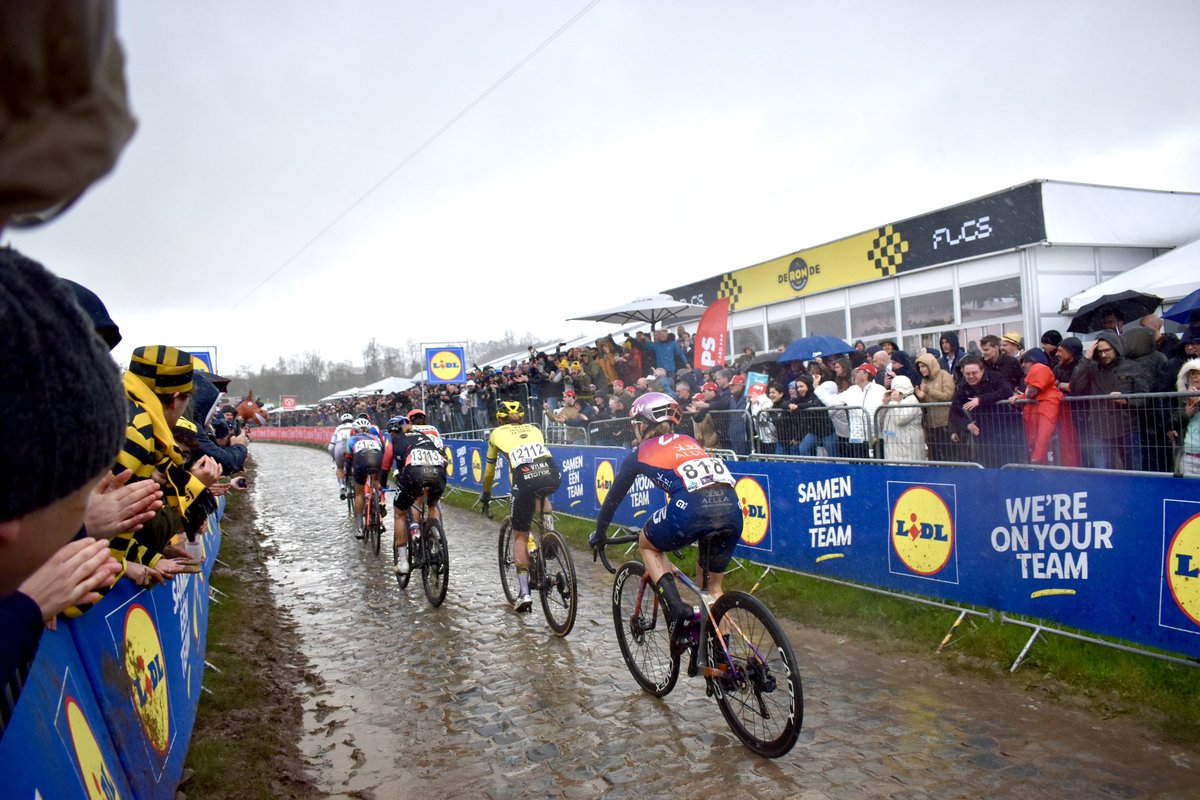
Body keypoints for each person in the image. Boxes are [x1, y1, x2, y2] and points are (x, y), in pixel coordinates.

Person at [588, 393, 742, 654]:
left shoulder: (640, 453)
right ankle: (724, 662)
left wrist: (600, 534)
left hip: (690, 511)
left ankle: (677, 608)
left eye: (636, 423)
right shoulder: (689, 440)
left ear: (642, 424)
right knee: (713, 589)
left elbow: (613, 499)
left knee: (647, 544)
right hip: (731, 508)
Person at [480, 401, 561, 612]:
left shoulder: (497, 433)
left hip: (524, 478)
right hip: (550, 472)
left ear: (500, 419)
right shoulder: (534, 428)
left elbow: (489, 472)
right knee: (542, 493)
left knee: (520, 535)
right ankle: (550, 534)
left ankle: (524, 594)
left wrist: (486, 493)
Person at [387, 410, 447, 574]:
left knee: (402, 509)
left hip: (415, 471)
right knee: (433, 503)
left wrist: (380, 484)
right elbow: (443, 455)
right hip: (439, 471)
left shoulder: (397, 440)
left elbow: (389, 467)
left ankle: (404, 560)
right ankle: (437, 538)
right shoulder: (428, 434)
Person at [345, 417, 385, 536]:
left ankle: (359, 528)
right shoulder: (376, 438)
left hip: (361, 463)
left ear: (354, 430)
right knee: (376, 482)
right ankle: (379, 507)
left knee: (359, 493)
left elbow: (348, 459)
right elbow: (382, 453)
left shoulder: (351, 439)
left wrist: (347, 474)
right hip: (377, 461)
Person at [914, 353, 957, 461]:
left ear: (931, 364)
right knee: (935, 455)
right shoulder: (924, 380)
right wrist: (921, 397)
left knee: (948, 454)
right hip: (931, 424)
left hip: (946, 423)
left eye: (923, 366)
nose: (921, 370)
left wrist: (929, 391)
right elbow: (927, 402)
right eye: (919, 367)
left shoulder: (944, 375)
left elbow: (948, 396)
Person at [879, 375, 927, 461]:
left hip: (907, 446)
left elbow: (900, 420)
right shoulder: (894, 401)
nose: (893, 392)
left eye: (895, 389)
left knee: (909, 470)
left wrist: (893, 402)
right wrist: (885, 403)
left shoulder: (911, 401)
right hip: (893, 445)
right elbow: (880, 419)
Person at [1169, 357, 1200, 476]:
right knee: (1187, 491)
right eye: (1192, 374)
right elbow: (1171, 423)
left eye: (1198, 373)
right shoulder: (1184, 400)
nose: (1195, 377)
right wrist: (1186, 413)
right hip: (1188, 456)